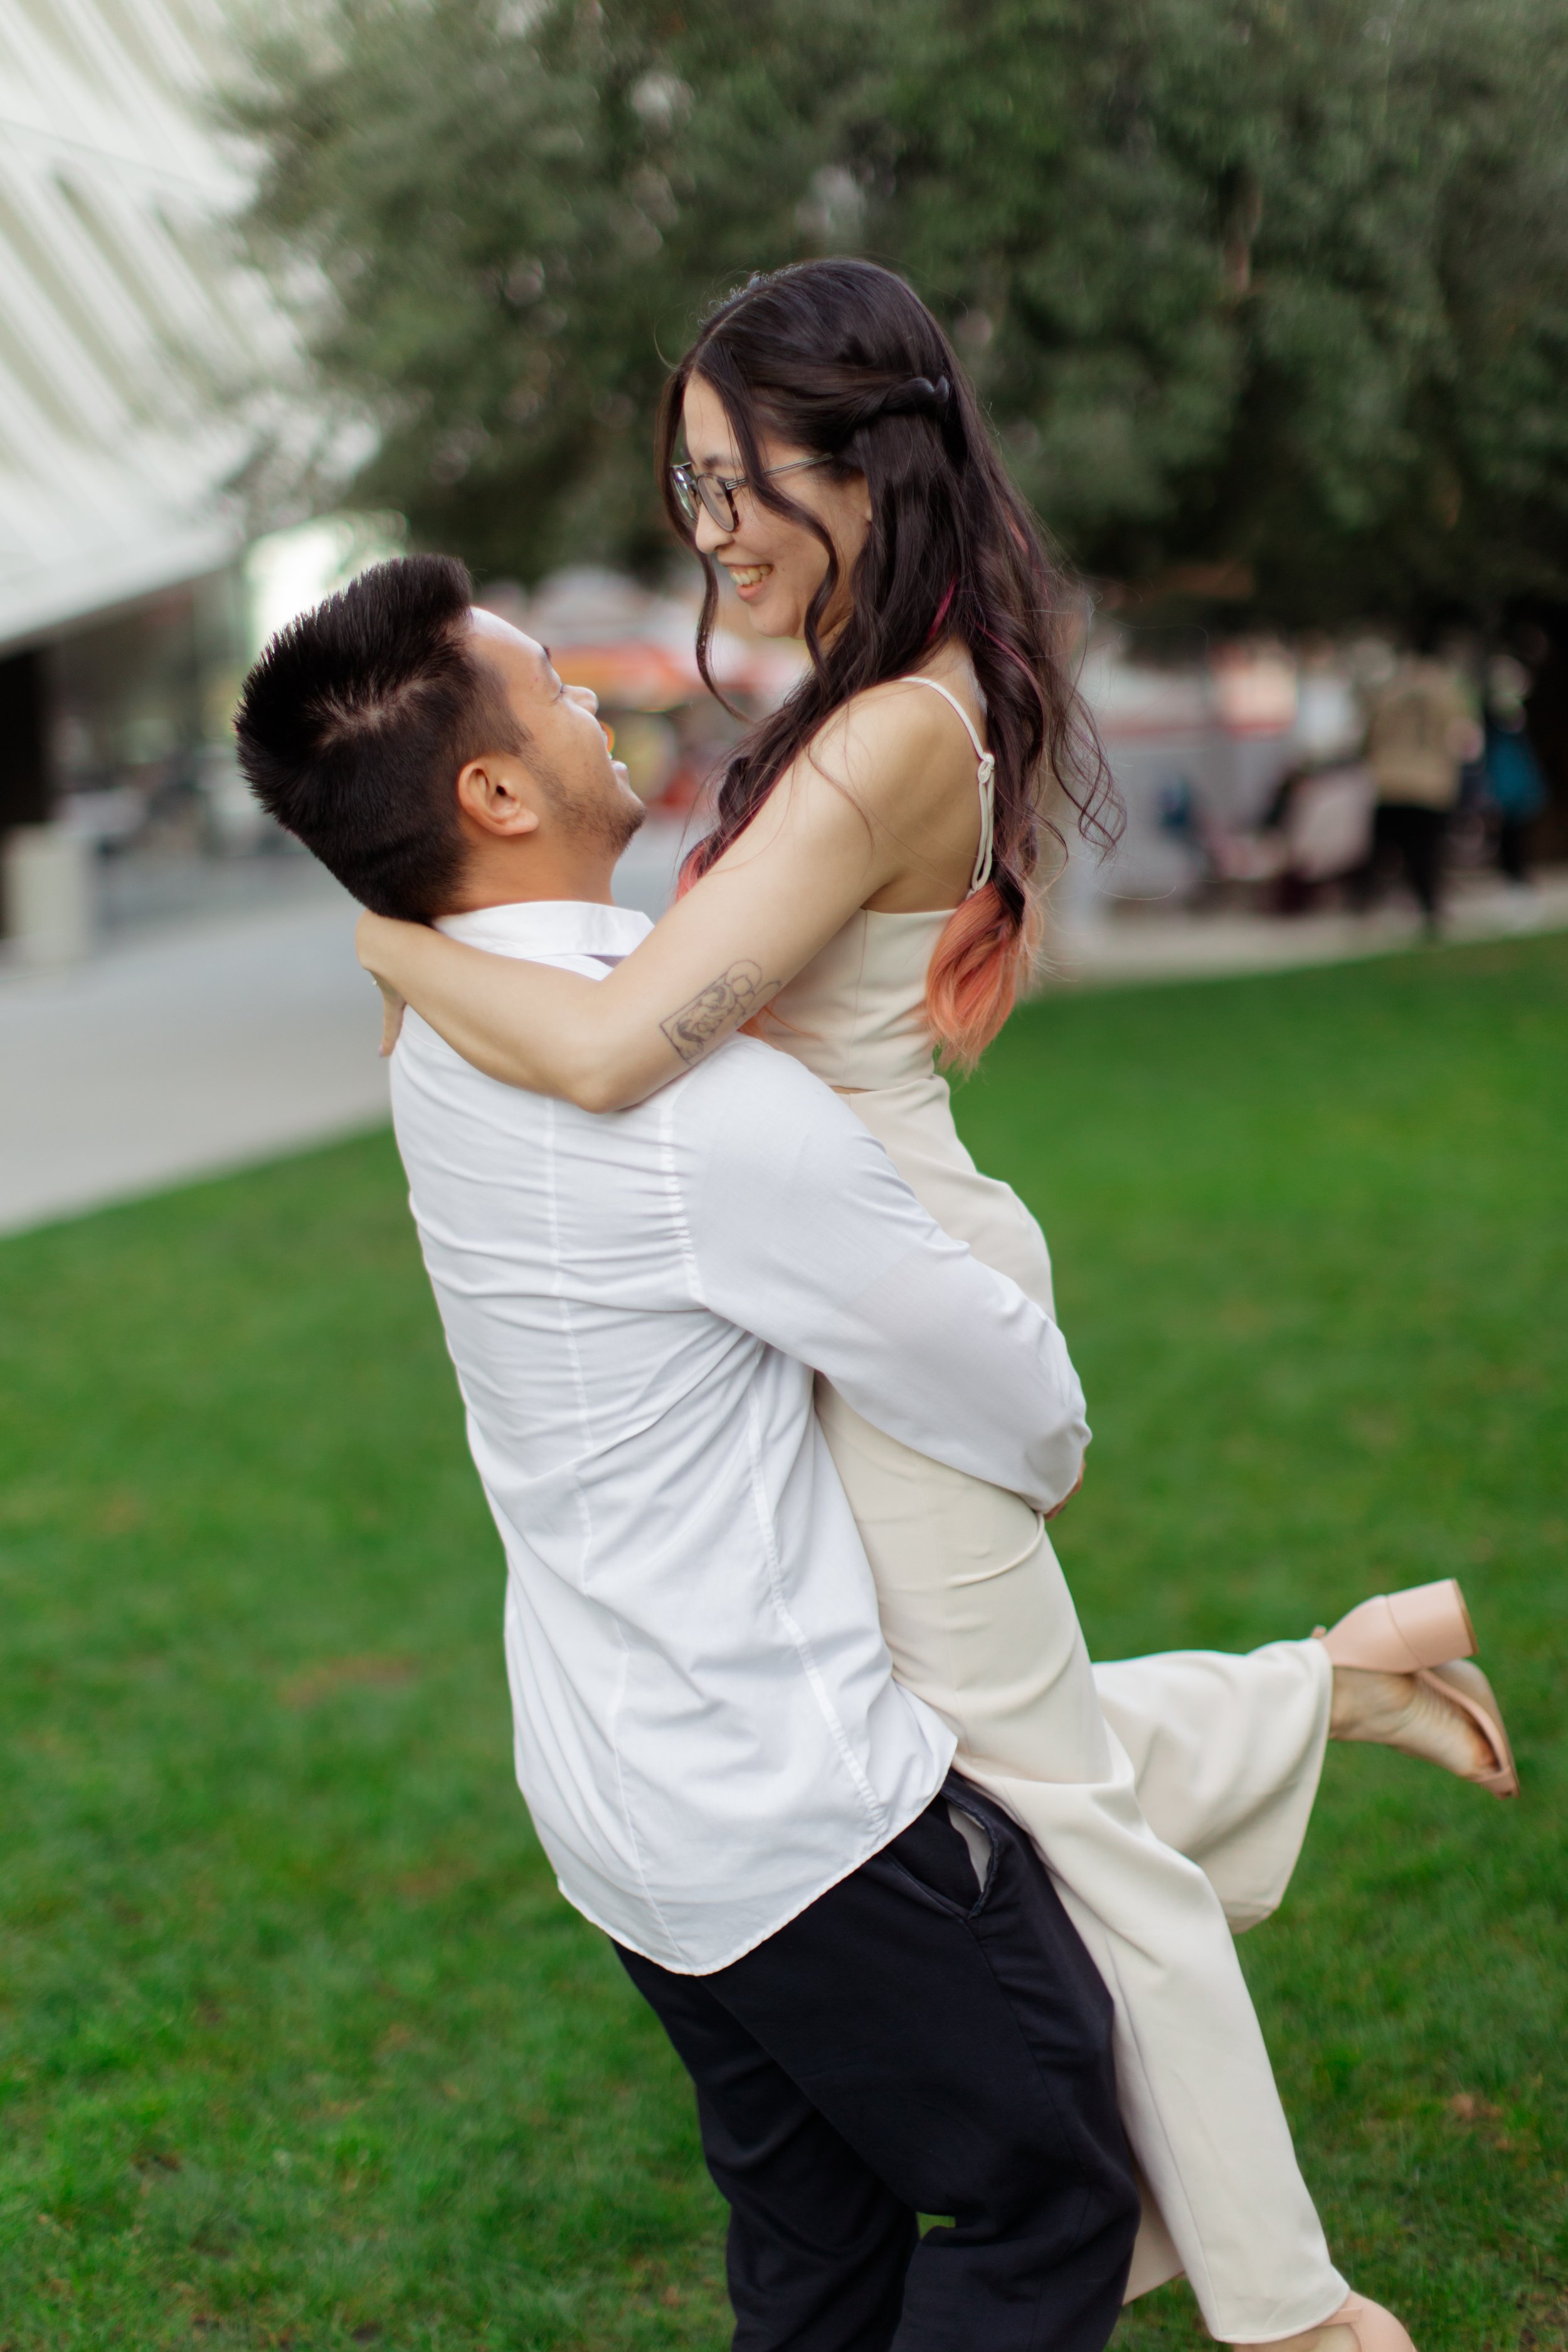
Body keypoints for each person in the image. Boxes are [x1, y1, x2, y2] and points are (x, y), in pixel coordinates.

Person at [348, 265, 1516, 2350]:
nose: (708, 524)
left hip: (887, 1290)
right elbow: (641, 999)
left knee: (1051, 1826)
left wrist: (389, 938)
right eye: (688, 483)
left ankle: (1293, 2308)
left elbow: (621, 1052)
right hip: (812, 1273)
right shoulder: (860, 697)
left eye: (736, 479)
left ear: (865, 460)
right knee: (950, 1772)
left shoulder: (894, 727)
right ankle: (1338, 1681)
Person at [236, 555, 1144, 2352]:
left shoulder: (432, 1028)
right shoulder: (704, 1115)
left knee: (815, 2245)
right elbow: (1021, 1402)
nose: (597, 706)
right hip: (791, 1803)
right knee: (1045, 2195)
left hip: (607, 1789)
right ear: (493, 793)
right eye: (559, 689)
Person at [1355, 653, 1482, 933]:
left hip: (1389, 778)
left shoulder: (1389, 691)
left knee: (1382, 851)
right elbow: (1466, 738)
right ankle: (1428, 908)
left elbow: (1368, 737)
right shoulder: (1449, 691)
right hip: (1430, 780)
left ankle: (1366, 908)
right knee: (1425, 851)